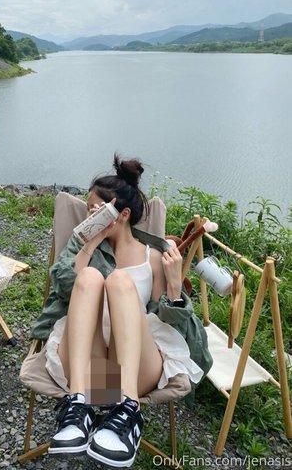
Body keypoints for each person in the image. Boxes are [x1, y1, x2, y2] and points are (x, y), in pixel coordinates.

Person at [29, 154, 212, 468]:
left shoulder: (154, 257)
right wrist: (89, 244)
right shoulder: (82, 243)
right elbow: (63, 288)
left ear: (122, 214)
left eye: (96, 209)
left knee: (119, 281)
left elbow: (169, 323)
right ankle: (78, 406)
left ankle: (127, 409)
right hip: (89, 372)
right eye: (87, 209)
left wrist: (173, 284)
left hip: (136, 370)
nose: (89, 214)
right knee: (90, 276)